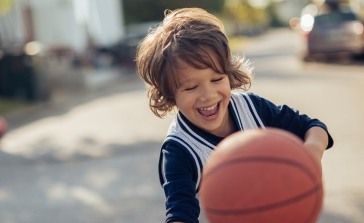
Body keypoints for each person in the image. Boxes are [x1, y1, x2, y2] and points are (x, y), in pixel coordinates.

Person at [135, 7, 334, 223]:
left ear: (229, 74)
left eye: (217, 79)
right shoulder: (179, 151)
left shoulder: (251, 107)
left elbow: (313, 127)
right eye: (191, 87)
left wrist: (309, 157)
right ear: (170, 94)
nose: (208, 95)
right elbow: (179, 212)